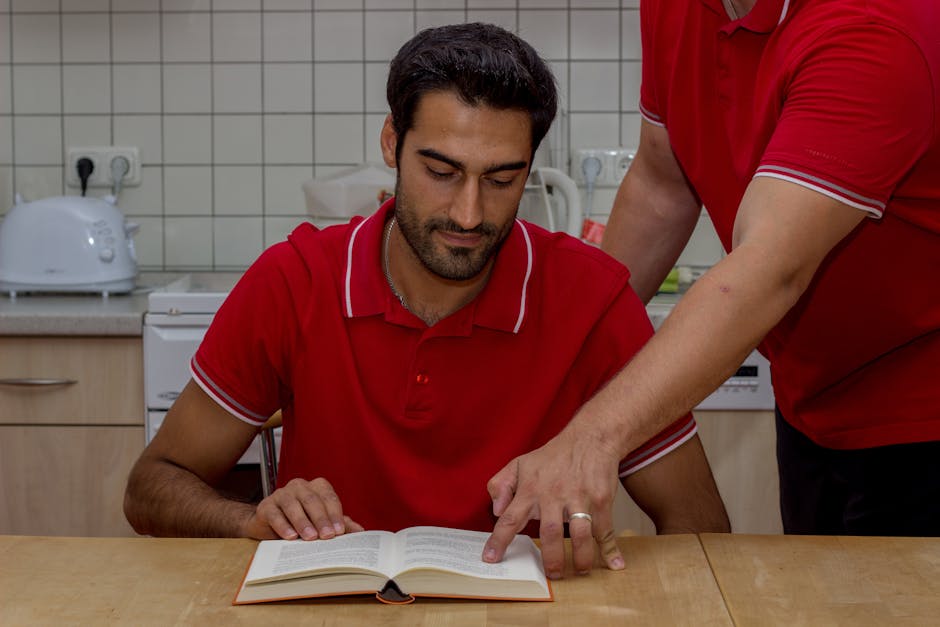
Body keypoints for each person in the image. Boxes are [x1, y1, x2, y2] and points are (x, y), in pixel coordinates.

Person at [123, 22, 730, 577]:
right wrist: (250, 523)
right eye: (440, 172)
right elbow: (152, 485)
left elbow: (701, 528)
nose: (469, 214)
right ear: (392, 143)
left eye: (501, 180)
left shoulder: (594, 299)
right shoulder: (296, 279)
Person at [482, 0, 940, 573]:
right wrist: (562, 354)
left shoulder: (875, 28)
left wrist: (592, 437)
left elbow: (768, 268)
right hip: (811, 394)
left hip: (922, 407)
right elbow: (661, 182)